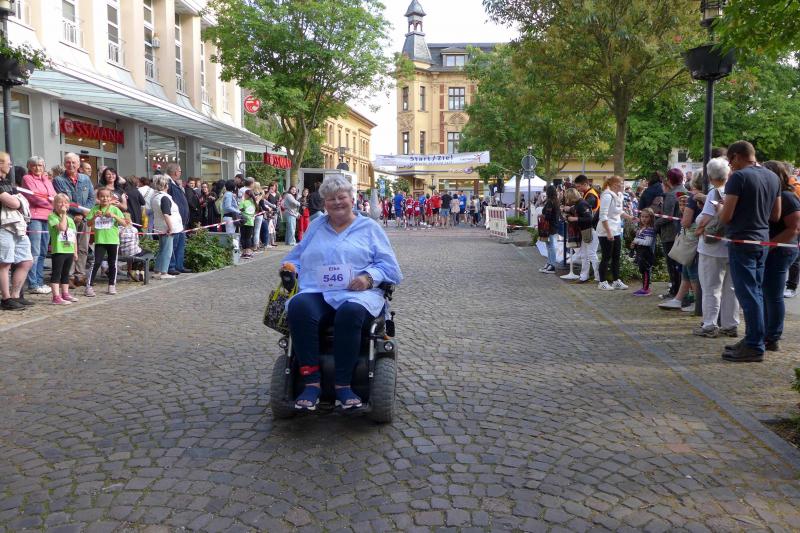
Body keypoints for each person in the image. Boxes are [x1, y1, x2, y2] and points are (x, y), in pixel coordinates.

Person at [282, 174, 403, 411]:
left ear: (352, 199)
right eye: (331, 199)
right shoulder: (316, 226)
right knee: (298, 307)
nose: (337, 202)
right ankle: (311, 382)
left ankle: (343, 384)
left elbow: (390, 268)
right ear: (324, 203)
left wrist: (369, 278)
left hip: (358, 294)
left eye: (341, 197)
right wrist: (290, 268)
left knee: (350, 313)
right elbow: (296, 257)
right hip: (319, 290)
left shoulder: (369, 228)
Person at [719, 141, 781, 362]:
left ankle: (754, 345)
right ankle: (754, 338)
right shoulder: (773, 177)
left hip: (741, 240)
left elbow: (726, 216)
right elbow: (776, 215)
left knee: (748, 294)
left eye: (730, 161)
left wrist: (720, 208)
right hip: (762, 239)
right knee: (757, 292)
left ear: (737, 156)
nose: (730, 165)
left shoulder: (738, 178)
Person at [693, 157, 739, 338]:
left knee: (711, 288)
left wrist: (699, 227)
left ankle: (710, 325)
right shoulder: (734, 191)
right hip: (732, 246)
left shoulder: (715, 193)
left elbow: (704, 218)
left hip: (712, 248)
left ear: (710, 176)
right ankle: (730, 324)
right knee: (731, 289)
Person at [760, 160, 799, 353]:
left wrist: (771, 246)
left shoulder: (787, 197)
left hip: (781, 250)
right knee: (767, 292)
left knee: (773, 294)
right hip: (774, 249)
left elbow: (794, 228)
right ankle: (768, 333)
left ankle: (772, 336)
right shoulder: (775, 195)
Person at [53, 153, 95, 285]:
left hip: (84, 218)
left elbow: (92, 198)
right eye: (68, 162)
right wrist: (79, 212)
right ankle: (69, 276)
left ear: (78, 164)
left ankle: (80, 274)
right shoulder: (58, 180)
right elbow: (63, 201)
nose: (71, 165)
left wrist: (82, 214)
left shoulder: (85, 178)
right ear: (64, 164)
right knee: (68, 246)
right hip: (68, 218)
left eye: (74, 162)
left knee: (83, 247)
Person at [0, 152, 34, 310]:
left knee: (26, 261)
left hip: (17, 226)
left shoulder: (6, 181)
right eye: (8, 162)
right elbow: (15, 203)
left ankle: (15, 296)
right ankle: (6, 299)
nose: (10, 165)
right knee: (4, 263)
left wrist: (18, 201)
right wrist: (19, 202)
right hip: (3, 226)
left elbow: (20, 201)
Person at [22, 156, 55, 294]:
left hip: (48, 217)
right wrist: (51, 204)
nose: (37, 168)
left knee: (42, 251)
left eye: (40, 165)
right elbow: (34, 197)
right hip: (35, 217)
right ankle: (33, 283)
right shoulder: (27, 178)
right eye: (34, 165)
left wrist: (51, 201)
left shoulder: (47, 179)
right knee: (34, 251)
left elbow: (54, 195)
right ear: (29, 167)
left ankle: (40, 281)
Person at [85, 188, 128, 296]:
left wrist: (114, 216)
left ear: (111, 198)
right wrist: (95, 217)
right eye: (102, 196)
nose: (105, 198)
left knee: (112, 263)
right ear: (98, 198)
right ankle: (89, 286)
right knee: (96, 262)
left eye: (107, 196)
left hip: (113, 241)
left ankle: (111, 285)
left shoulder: (115, 209)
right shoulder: (95, 209)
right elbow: (89, 224)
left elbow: (124, 223)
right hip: (100, 241)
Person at [655, 169, 687, 301]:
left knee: (672, 264)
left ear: (669, 180)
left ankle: (675, 291)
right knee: (680, 265)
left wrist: (654, 223)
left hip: (669, 234)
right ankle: (680, 291)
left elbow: (667, 216)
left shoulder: (671, 195)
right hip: (681, 232)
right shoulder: (685, 191)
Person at [597, 176, 633, 290]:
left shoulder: (619, 195)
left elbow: (619, 211)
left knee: (616, 256)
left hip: (616, 230)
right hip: (606, 231)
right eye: (620, 183)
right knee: (606, 257)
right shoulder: (607, 196)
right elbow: (603, 216)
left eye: (623, 183)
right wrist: (608, 232)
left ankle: (616, 280)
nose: (623, 185)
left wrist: (630, 217)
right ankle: (602, 282)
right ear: (613, 184)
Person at [48, 193, 79, 304]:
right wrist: (64, 214)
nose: (63, 205)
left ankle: (65, 293)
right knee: (57, 273)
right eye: (60, 202)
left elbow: (73, 236)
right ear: (54, 205)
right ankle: (56, 296)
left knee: (66, 273)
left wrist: (75, 251)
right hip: (59, 250)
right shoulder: (52, 216)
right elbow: (62, 228)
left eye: (65, 203)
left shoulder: (70, 219)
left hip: (69, 249)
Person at [563, 188, 599, 283]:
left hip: (590, 231)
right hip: (586, 231)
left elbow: (589, 219)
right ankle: (584, 276)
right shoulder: (580, 203)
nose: (567, 200)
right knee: (584, 255)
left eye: (567, 197)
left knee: (591, 254)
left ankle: (599, 277)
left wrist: (574, 219)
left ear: (571, 197)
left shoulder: (582, 204)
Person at [150, 174, 183, 280]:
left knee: (162, 249)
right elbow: (166, 214)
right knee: (167, 250)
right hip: (167, 227)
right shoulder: (164, 197)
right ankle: (164, 272)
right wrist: (171, 228)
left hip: (160, 227)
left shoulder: (155, 197)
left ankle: (157, 271)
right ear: (166, 186)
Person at [165, 163, 190, 275]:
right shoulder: (168, 183)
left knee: (180, 244)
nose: (180, 173)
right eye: (180, 171)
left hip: (180, 221)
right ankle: (171, 266)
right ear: (176, 172)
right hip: (174, 221)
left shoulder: (174, 184)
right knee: (173, 245)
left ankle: (179, 265)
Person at [631, 208, 656, 296]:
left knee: (645, 270)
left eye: (646, 217)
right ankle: (644, 287)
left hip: (646, 253)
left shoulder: (650, 229)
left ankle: (646, 289)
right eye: (642, 216)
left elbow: (647, 242)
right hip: (640, 252)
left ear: (651, 218)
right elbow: (639, 239)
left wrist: (636, 241)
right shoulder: (642, 228)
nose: (644, 219)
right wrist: (634, 243)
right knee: (642, 269)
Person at [539, 185, 560, 274]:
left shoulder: (550, 202)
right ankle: (549, 263)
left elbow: (548, 215)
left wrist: (542, 215)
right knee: (549, 246)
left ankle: (552, 265)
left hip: (549, 226)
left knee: (550, 246)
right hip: (553, 226)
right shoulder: (555, 201)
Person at [239, 188, 257, 258]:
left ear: (246, 195)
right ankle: (248, 252)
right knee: (248, 237)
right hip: (251, 222)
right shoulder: (253, 203)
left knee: (243, 237)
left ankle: (244, 252)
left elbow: (240, 210)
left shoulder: (243, 202)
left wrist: (242, 201)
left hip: (244, 221)